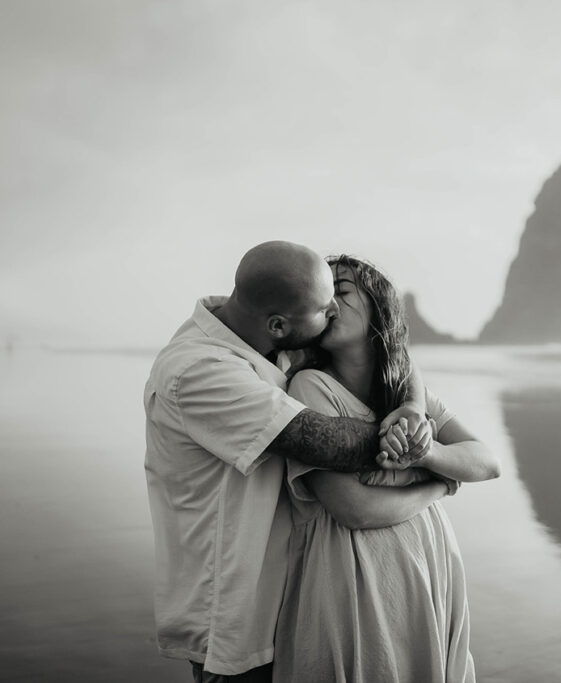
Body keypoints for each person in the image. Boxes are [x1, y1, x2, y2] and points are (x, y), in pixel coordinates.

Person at [144, 241, 431, 682]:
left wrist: (411, 407)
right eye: (325, 307)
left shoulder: (264, 332)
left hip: (287, 598)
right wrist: (422, 451)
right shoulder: (199, 369)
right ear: (279, 325)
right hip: (231, 622)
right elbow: (327, 443)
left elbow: (389, 351)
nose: (333, 311)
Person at [271, 255, 500, 683]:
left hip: (428, 569)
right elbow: (353, 510)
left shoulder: (406, 391)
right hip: (353, 580)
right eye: (323, 297)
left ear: (379, 307)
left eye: (342, 291)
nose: (331, 303)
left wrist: (426, 456)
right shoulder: (310, 387)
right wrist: (440, 486)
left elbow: (487, 462)